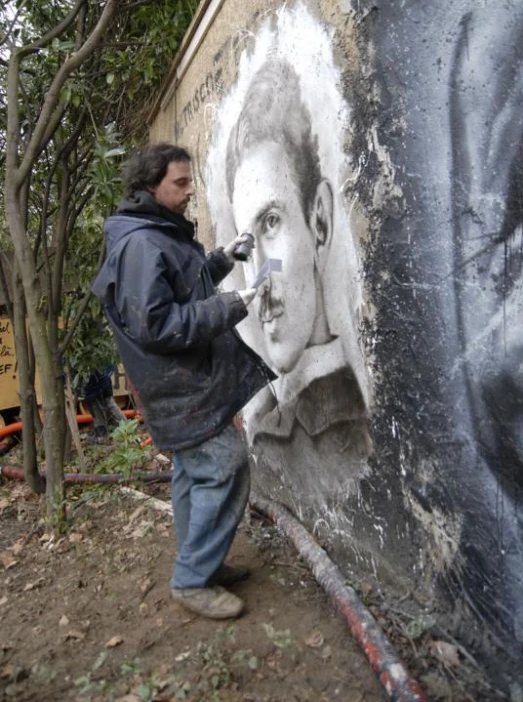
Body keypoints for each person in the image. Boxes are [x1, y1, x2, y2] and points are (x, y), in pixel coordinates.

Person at [92, 143, 276, 619]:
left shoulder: (154, 231)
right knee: (225, 466)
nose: (191, 190)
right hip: (180, 385)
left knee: (194, 472)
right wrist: (232, 304)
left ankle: (202, 564)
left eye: (190, 180)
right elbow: (157, 324)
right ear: (150, 185)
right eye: (181, 182)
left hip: (184, 382)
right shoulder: (141, 243)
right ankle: (193, 580)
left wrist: (222, 259)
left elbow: (180, 280)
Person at [225, 58, 372, 508]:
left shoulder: (349, 433)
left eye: (272, 222)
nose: (259, 283)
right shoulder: (273, 424)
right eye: (247, 247)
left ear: (320, 223)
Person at [81, 365, 126, 444]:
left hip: (93, 387)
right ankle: (126, 426)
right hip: (104, 381)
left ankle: (102, 436)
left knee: (96, 408)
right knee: (110, 404)